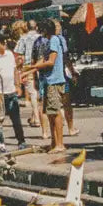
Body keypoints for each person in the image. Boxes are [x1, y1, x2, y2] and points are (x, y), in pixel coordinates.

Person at [33, 16, 71, 158]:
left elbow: (51, 62)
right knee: (50, 113)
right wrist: (30, 69)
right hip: (48, 81)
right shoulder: (50, 41)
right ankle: (54, 142)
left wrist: (32, 67)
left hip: (54, 80)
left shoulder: (54, 40)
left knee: (55, 113)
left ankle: (60, 144)